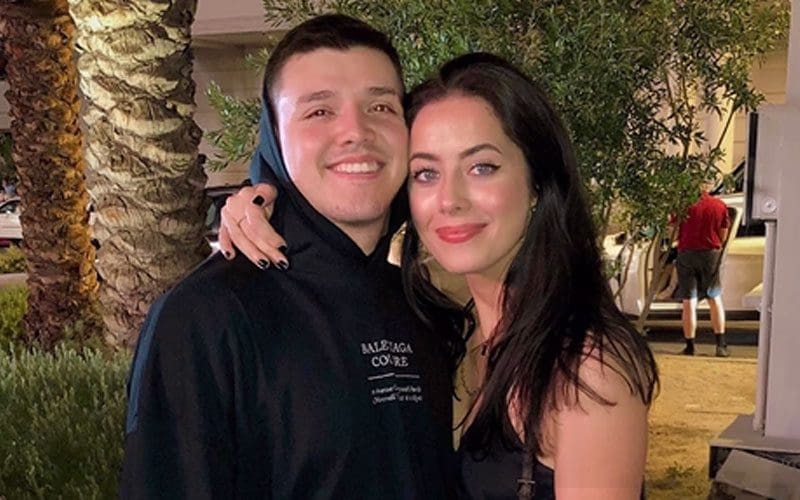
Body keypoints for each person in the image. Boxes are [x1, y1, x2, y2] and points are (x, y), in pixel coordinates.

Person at [222, 52, 659, 498]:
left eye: (482, 167)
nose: (450, 199)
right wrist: (265, 198)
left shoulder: (585, 370)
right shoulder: (455, 333)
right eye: (426, 173)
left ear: (538, 182)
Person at [119, 15, 460, 499]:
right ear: (274, 139)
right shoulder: (206, 318)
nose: (356, 131)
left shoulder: (427, 307)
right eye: (319, 111)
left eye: (381, 106)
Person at [673, 181, 731, 357]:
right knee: (714, 298)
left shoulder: (683, 206)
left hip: (687, 254)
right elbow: (723, 233)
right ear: (707, 186)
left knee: (689, 301)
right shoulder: (719, 205)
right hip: (710, 255)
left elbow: (673, 229)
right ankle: (720, 345)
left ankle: (690, 346)